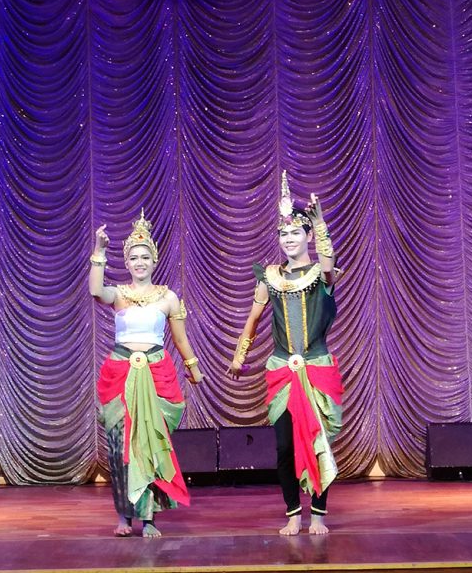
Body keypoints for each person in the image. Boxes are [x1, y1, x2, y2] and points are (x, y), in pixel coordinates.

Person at [230, 171, 343, 536]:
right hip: (281, 369)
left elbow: (329, 267)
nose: (289, 239)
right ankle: (293, 513)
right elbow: (253, 319)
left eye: (296, 232)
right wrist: (240, 355)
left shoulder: (321, 274)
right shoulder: (270, 277)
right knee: (283, 446)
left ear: (307, 236)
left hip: (317, 367)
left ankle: (319, 514)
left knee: (319, 440)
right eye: (284, 233)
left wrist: (321, 223)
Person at [89, 210, 203, 538]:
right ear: (126, 262)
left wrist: (194, 369)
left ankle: (149, 517)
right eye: (134, 257)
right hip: (121, 373)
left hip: (155, 374)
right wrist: (99, 249)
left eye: (145, 257)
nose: (139, 262)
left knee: (150, 445)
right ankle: (124, 516)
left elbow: (180, 339)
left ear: (154, 261)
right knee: (119, 447)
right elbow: (95, 290)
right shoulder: (118, 294)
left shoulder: (168, 297)